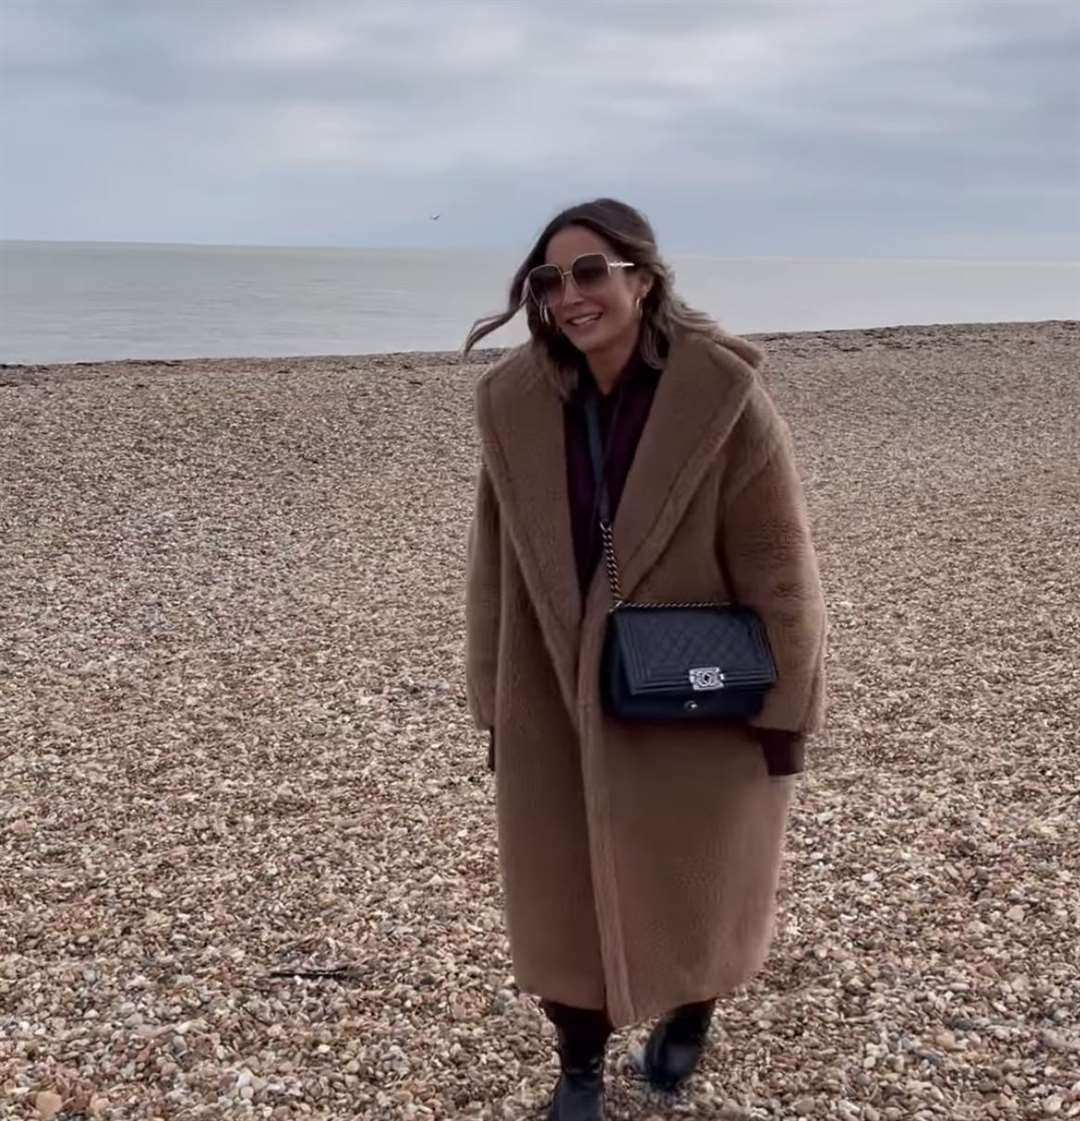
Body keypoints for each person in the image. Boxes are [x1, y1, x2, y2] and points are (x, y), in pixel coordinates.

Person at [462, 198, 826, 1121]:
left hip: (696, 692)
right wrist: (492, 701)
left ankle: (692, 1010)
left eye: (592, 272)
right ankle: (578, 1063)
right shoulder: (514, 402)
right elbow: (493, 562)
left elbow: (780, 566)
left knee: (701, 875)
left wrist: (787, 710)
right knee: (559, 897)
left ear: (644, 277)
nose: (569, 295)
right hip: (549, 688)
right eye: (550, 280)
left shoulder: (725, 397)